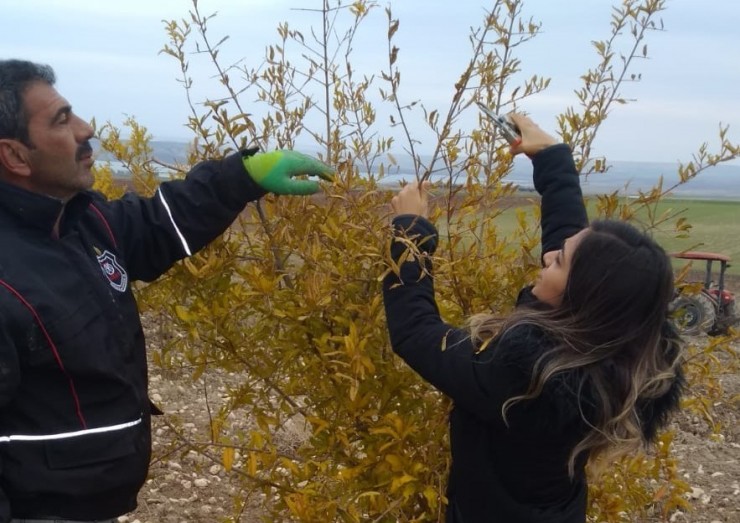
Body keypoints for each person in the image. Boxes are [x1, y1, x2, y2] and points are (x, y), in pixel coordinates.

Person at [0, 59, 333, 522]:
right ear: (15, 156)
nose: (85, 128)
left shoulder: (79, 220)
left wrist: (242, 176)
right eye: (61, 120)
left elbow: (156, 224)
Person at [382, 113, 684, 522]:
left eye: (557, 262)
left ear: (577, 297)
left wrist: (410, 234)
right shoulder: (613, 349)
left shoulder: (522, 382)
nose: (546, 259)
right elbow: (577, 246)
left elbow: (416, 333)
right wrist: (552, 158)